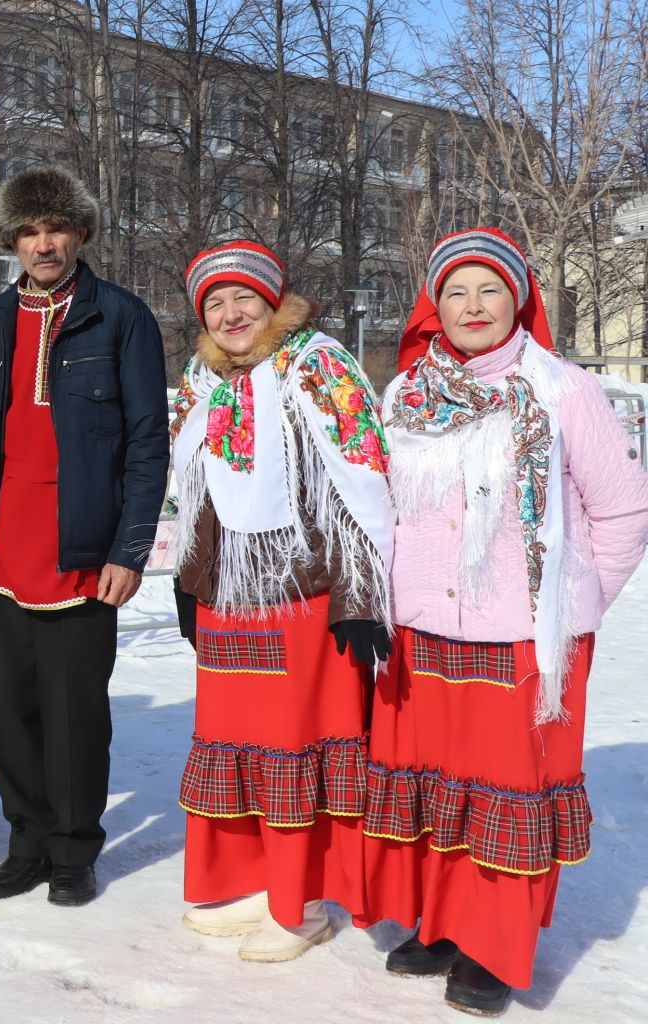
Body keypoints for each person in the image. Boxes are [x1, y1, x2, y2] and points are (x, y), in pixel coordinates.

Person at [360, 229, 648, 1016]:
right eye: (455, 291)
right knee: (442, 789)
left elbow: (623, 512)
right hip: (421, 632)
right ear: (435, 306)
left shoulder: (563, 392)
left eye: (489, 289)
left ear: (519, 298)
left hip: (526, 641)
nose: (473, 306)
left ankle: (495, 945)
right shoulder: (408, 394)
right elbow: (382, 511)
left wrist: (573, 607)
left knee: (507, 795)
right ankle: (446, 923)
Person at [169, 241, 394, 961]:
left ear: (273, 303)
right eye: (215, 304)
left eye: (244, 299)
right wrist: (189, 580)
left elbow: (362, 482)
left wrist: (359, 595)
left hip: (304, 594)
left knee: (291, 752)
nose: (231, 314)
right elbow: (197, 495)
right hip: (229, 595)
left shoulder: (318, 365)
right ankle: (265, 887)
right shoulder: (202, 378)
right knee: (238, 751)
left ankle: (301, 906)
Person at [0, 167, 168, 907]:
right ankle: (27, 841)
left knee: (77, 710)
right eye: (29, 231)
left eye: (56, 228)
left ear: (80, 233)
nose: (44, 243)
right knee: (11, 707)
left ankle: (75, 848)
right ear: (12, 241)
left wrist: (129, 549)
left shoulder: (120, 317)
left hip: (83, 546)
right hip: (2, 548)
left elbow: (148, 441)